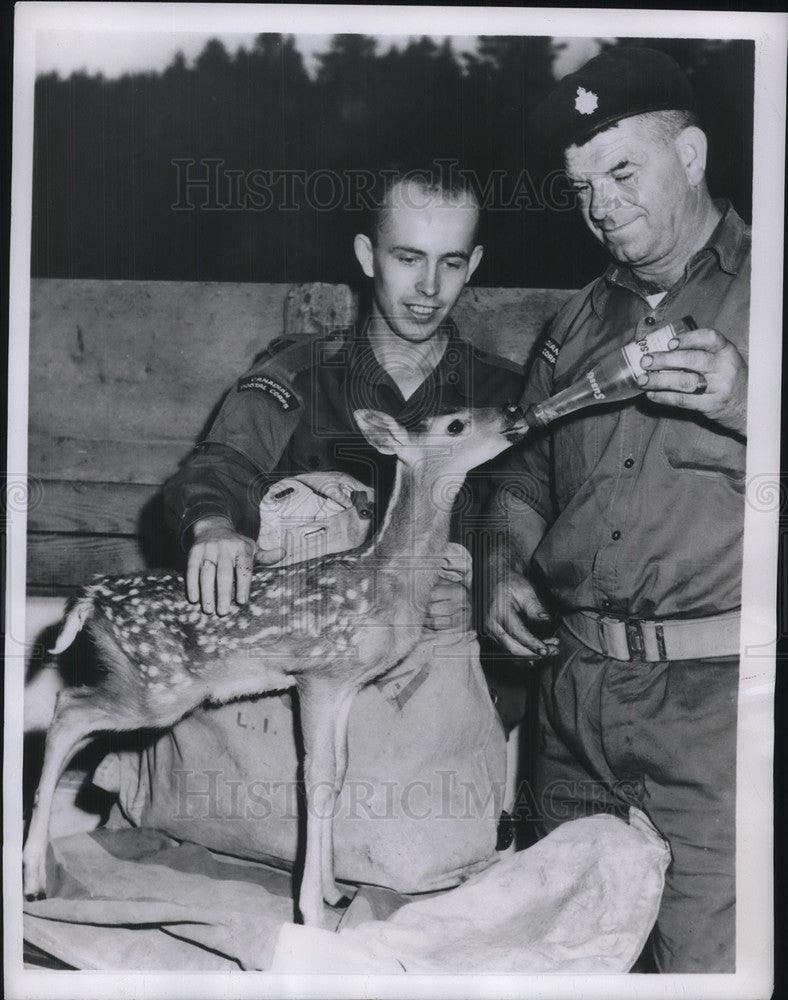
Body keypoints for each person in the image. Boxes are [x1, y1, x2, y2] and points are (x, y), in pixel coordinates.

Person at [95, 163, 527, 894]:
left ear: (474, 265)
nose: (428, 287)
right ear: (366, 256)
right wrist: (211, 525)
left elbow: (526, 527)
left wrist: (481, 601)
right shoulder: (298, 373)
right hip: (289, 684)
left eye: (451, 263)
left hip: (429, 691)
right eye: (407, 257)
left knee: (420, 850)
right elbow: (220, 465)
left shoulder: (502, 398)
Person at [484, 48, 749, 973]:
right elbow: (523, 475)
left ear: (694, 154)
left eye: (623, 171)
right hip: (571, 702)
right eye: (582, 186)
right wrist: (504, 559)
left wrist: (746, 398)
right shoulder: (572, 326)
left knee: (709, 970)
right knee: (551, 964)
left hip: (718, 719)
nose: (602, 206)